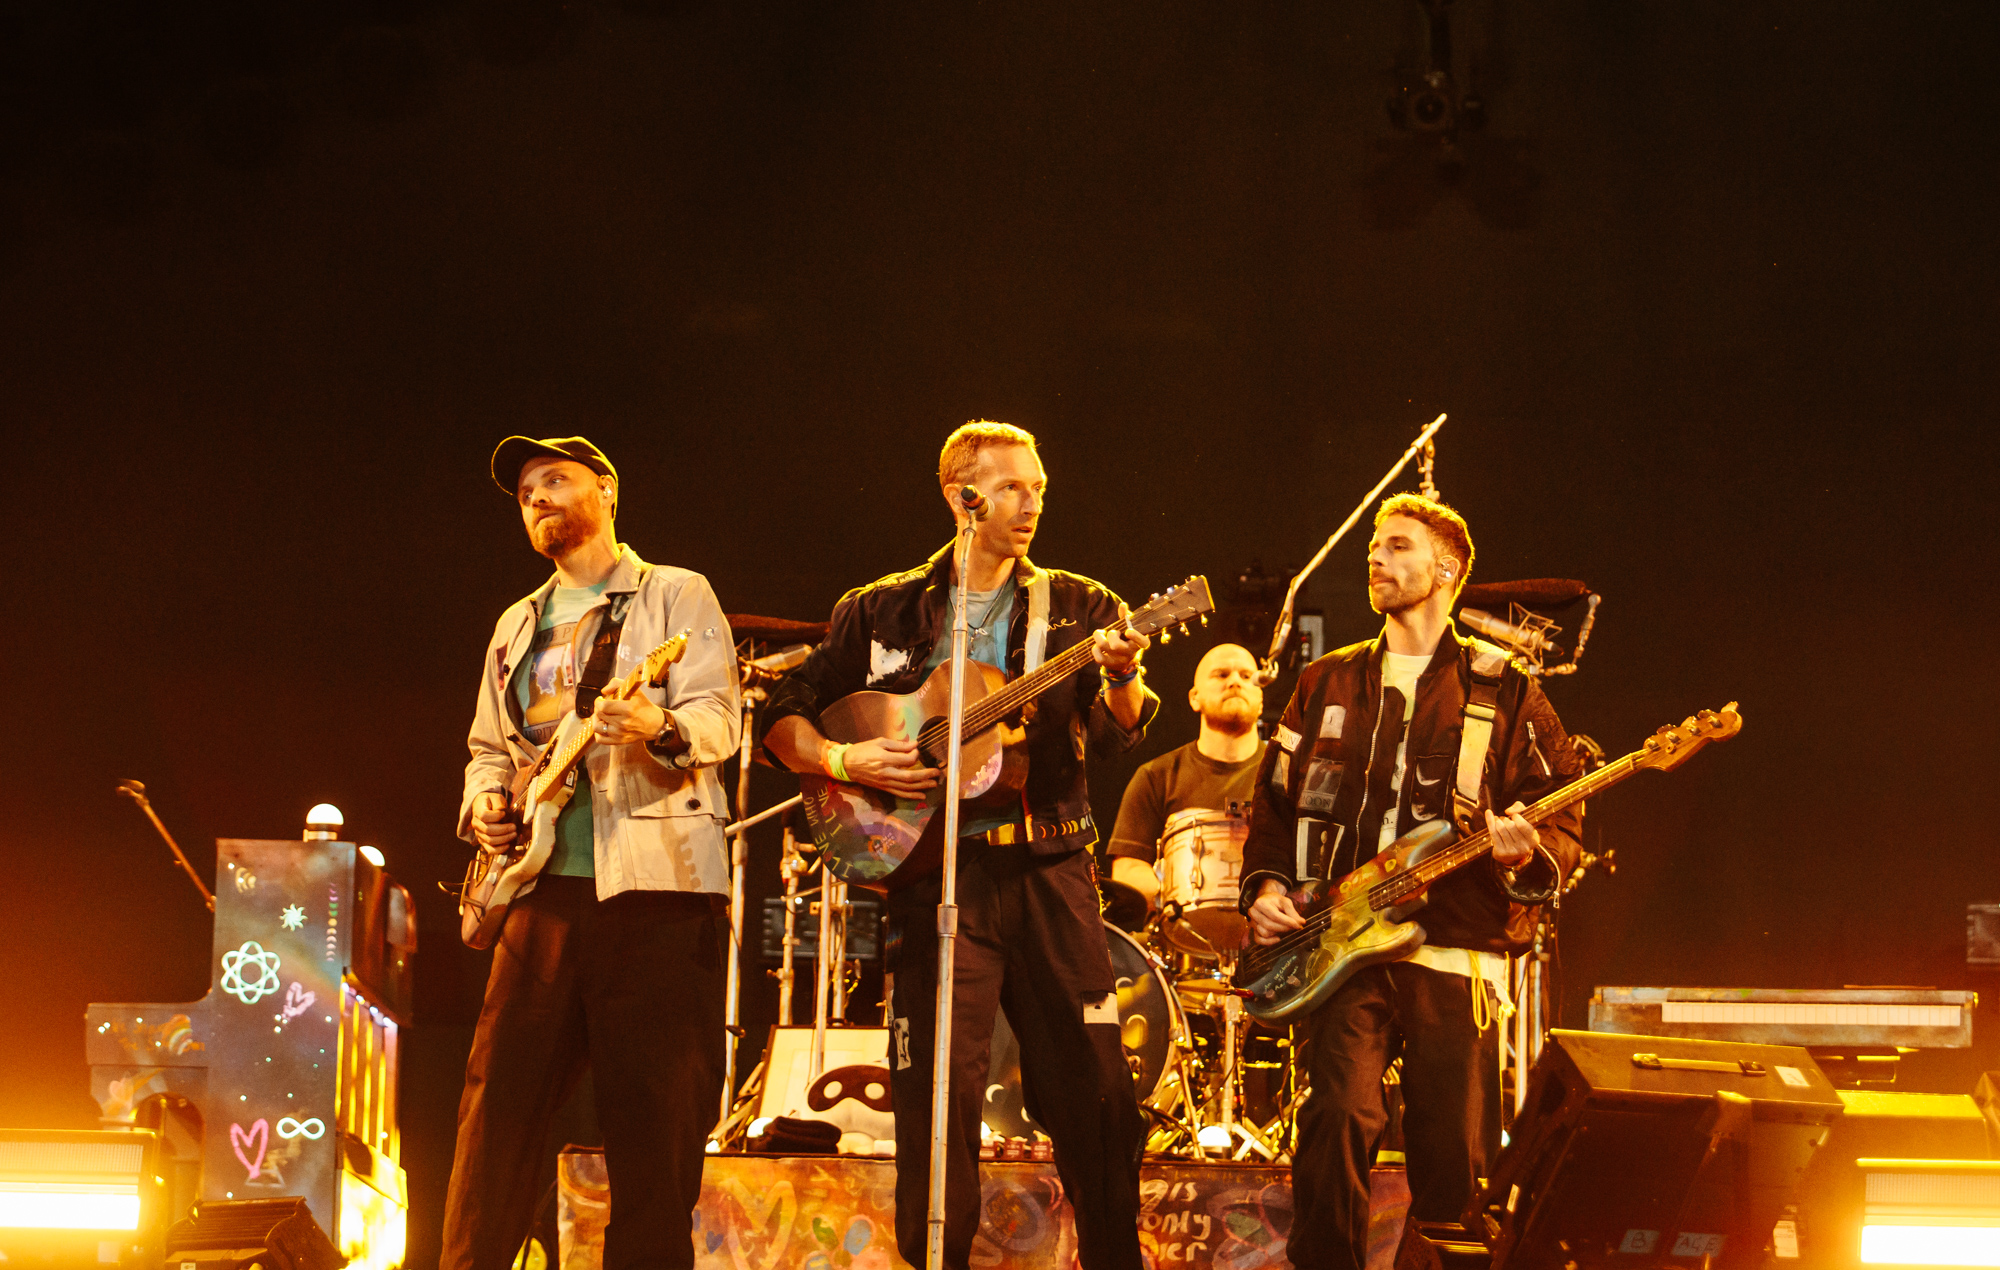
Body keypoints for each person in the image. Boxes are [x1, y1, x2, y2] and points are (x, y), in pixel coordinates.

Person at [760, 420, 1157, 1270]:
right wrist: (845, 756)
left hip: (1050, 869)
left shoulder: (1082, 607)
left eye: (1040, 488)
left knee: (1097, 1094)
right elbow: (784, 715)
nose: (1032, 504)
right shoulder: (878, 610)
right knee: (935, 1102)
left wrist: (1121, 672)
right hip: (929, 880)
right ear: (961, 497)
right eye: (1013, 487)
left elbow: (1121, 726)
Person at [1240, 493, 1582, 1270]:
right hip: (1340, 949)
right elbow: (1274, 804)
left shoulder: (1506, 690)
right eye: (1374, 547)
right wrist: (1263, 887)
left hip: (1455, 952)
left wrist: (1524, 854)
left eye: (1397, 547)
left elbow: (1563, 812)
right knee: (1334, 1119)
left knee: (1452, 1159)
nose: (1377, 559)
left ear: (1447, 568)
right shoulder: (1323, 683)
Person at [444, 435, 740, 1270]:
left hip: (657, 894)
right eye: (526, 491)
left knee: (654, 1129)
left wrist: (662, 726)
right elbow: (486, 751)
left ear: (606, 489)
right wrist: (487, 807)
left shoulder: (676, 595)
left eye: (555, 480)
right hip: (537, 896)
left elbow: (721, 718)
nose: (536, 497)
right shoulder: (517, 622)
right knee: (492, 1118)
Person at [1106, 641, 1266, 914]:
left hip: (1278, 942)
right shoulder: (1155, 775)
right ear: (1194, 697)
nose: (1235, 683)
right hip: (1183, 944)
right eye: (1222, 675)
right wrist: (1174, 896)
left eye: (1246, 676)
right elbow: (1128, 868)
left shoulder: (1287, 771)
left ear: (1261, 699)